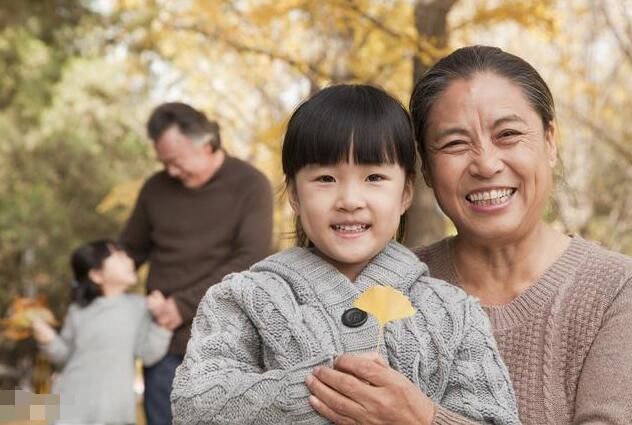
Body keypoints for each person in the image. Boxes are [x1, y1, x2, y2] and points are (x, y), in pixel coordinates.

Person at [307, 46, 632, 425]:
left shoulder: (616, 290)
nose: (486, 164)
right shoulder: (387, 289)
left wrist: (424, 419)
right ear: (425, 169)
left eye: (508, 134)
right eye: (455, 144)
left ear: (550, 141)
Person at [170, 84, 520, 424]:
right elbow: (194, 405)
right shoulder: (243, 298)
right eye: (325, 178)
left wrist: (419, 417)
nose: (350, 200)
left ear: (405, 193)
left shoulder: (453, 313)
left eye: (374, 177)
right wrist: (330, 391)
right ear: (294, 194)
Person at [120, 102, 274, 425]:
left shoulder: (251, 186)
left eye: (176, 162)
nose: (171, 172)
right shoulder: (155, 189)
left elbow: (251, 261)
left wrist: (183, 305)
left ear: (206, 143)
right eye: (164, 163)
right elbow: (128, 252)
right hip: (163, 345)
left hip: (226, 349)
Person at [32, 239, 172, 424]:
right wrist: (48, 340)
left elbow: (147, 354)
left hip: (113, 410)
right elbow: (64, 355)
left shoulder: (139, 307)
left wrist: (163, 323)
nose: (128, 259)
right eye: (118, 256)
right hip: (70, 405)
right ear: (97, 275)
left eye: (126, 254)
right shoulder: (78, 311)